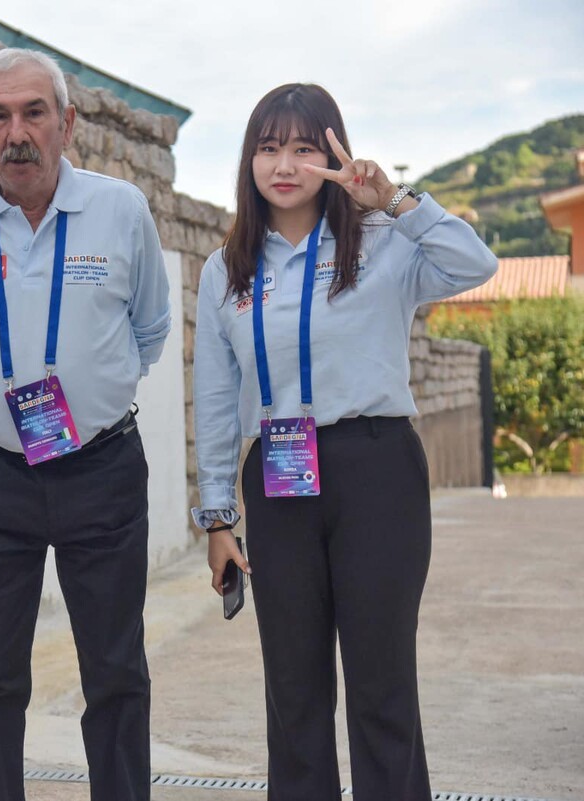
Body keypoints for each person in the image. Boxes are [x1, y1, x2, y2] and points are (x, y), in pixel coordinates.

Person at [192, 83, 497, 801]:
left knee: (381, 683)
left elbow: (476, 264)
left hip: (376, 471)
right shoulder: (226, 269)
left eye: (304, 148)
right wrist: (218, 517)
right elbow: (216, 400)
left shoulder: (384, 242)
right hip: (278, 475)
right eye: (269, 148)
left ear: (334, 154)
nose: (285, 165)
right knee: (293, 689)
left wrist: (394, 200)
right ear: (248, 160)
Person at [0, 48, 171, 801]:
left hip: (102, 467)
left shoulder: (121, 210)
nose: (16, 133)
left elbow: (150, 327)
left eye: (34, 113)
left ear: (68, 123)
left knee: (116, 669)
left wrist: (93, 393)